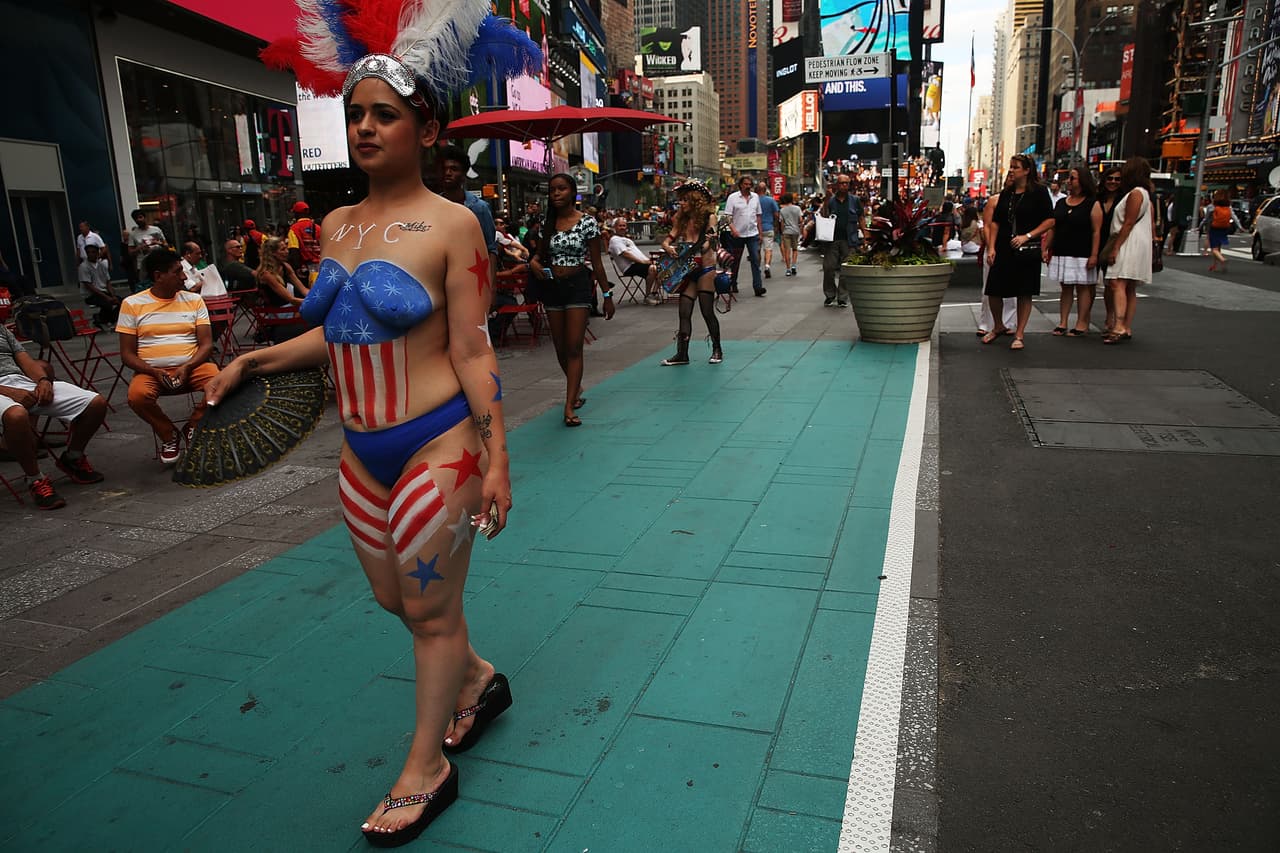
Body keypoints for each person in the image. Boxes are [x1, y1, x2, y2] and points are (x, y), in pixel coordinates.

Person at [232, 9, 535, 840]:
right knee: (393, 597)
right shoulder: (335, 225)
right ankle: (475, 678)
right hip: (361, 454)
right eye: (356, 113)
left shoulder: (454, 223)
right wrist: (251, 362)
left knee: (430, 609)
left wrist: (498, 457)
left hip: (439, 443)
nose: (365, 127)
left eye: (385, 114)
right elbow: (332, 333)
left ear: (426, 126)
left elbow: (473, 352)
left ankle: (427, 765)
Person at [118, 249, 220, 464]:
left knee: (221, 384)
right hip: (152, 371)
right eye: (177, 272)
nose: (184, 277)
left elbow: (206, 344)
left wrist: (188, 366)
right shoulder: (132, 304)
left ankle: (194, 425)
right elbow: (127, 354)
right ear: (158, 276)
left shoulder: (194, 300)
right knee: (137, 396)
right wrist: (153, 371)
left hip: (192, 367)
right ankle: (168, 434)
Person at [529, 173, 614, 427]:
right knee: (560, 348)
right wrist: (533, 264)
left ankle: (568, 406)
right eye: (553, 190)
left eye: (562, 189)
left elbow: (597, 263)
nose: (556, 194)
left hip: (577, 286)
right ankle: (575, 388)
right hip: (552, 287)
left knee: (575, 346)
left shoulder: (587, 222)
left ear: (572, 192)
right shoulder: (547, 224)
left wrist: (607, 295)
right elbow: (537, 256)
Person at [0, 327, 107, 508]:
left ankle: (73, 458)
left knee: (95, 403)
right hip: (5, 390)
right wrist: (8, 391)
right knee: (16, 415)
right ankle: (35, 479)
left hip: (19, 381)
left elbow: (25, 360)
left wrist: (43, 381)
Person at [983, 154, 1055, 350]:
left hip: (1026, 248)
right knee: (994, 289)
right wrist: (991, 247)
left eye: (1016, 167)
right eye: (1011, 166)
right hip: (1004, 246)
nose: (1012, 170)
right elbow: (996, 222)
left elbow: (1050, 220)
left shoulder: (1039, 192)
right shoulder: (1007, 193)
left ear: (1027, 170)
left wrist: (1028, 235)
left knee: (1024, 291)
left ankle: (1020, 333)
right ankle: (998, 325)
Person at [657, 180, 723, 366]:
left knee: (707, 310)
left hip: (705, 269)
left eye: (685, 200)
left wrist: (706, 243)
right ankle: (682, 354)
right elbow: (668, 239)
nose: (681, 203)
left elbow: (713, 242)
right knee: (684, 312)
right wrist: (668, 248)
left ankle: (717, 349)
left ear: (695, 200)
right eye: (680, 200)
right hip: (688, 270)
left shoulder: (709, 218)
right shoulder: (681, 219)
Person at [1102, 156, 1155, 344]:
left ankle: (1119, 325)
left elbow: (1128, 222)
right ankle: (1125, 326)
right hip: (1139, 241)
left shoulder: (1135, 193)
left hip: (1129, 241)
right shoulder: (1145, 193)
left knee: (1117, 282)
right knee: (1129, 286)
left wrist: (1115, 247)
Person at [1043, 167, 1101, 336]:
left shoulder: (1092, 203)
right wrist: (1046, 247)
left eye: (1072, 178)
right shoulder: (1061, 202)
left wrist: (1094, 255)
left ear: (1082, 181)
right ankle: (1063, 322)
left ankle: (1082, 323)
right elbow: (1053, 226)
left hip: (1082, 251)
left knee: (1083, 287)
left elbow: (1096, 231)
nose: (1069, 181)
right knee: (1066, 287)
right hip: (1062, 249)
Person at [976, 176, 1019, 337]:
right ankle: (986, 323)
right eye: (1009, 175)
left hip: (1015, 247)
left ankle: (1007, 323)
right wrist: (990, 246)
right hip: (995, 247)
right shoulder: (994, 200)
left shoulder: (1024, 200)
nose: (1011, 178)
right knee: (989, 287)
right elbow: (987, 225)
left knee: (1012, 289)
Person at [818, 173, 864, 307]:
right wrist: (826, 201)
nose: (844, 185)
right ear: (837, 185)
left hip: (849, 239)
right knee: (828, 267)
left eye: (847, 183)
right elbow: (825, 216)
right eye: (842, 183)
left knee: (846, 269)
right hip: (832, 239)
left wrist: (865, 235)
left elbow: (861, 217)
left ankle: (842, 297)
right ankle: (830, 294)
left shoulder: (854, 200)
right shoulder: (831, 200)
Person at [723, 175, 766, 296]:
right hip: (737, 235)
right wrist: (733, 229)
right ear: (740, 185)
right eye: (745, 184)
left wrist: (760, 233)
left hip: (752, 234)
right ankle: (733, 283)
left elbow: (758, 216)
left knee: (755, 260)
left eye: (749, 184)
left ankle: (758, 287)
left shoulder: (755, 197)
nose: (747, 186)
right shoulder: (733, 198)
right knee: (735, 261)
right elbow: (727, 216)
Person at [1095, 166, 1124, 334]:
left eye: (1117, 179)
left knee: (1112, 283)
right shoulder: (1097, 199)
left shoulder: (1124, 199)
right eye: (1110, 178)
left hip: (1114, 244)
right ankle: (1107, 315)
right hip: (1096, 243)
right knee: (1096, 283)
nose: (1113, 182)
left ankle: (1112, 317)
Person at [607, 217, 661, 304]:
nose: (622, 228)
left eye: (624, 226)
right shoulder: (614, 240)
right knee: (653, 268)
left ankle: (654, 293)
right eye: (620, 226)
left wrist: (648, 260)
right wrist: (643, 262)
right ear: (615, 227)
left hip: (638, 264)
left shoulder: (627, 239)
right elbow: (625, 254)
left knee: (662, 267)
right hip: (629, 267)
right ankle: (647, 296)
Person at [78, 243, 120, 328]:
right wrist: (107, 297)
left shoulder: (102, 265)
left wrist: (113, 295)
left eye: (93, 252)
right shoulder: (83, 267)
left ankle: (109, 319)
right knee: (107, 303)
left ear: (97, 253)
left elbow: (108, 282)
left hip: (103, 291)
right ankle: (104, 319)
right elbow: (89, 286)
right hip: (91, 295)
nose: (90, 254)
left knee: (122, 302)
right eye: (88, 252)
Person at [1206, 189, 1244, 273]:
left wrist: (1200, 226)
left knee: (1214, 248)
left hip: (1214, 228)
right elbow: (1234, 217)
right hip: (1224, 228)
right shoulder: (1228, 207)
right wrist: (1240, 226)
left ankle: (1222, 259)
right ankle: (1216, 265)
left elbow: (1206, 219)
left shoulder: (1212, 206)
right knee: (1218, 247)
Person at [127, 209, 167, 279]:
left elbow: (166, 245)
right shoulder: (133, 234)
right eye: (136, 219)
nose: (138, 220)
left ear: (145, 217)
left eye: (140, 217)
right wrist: (140, 247)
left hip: (158, 261)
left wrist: (157, 243)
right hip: (143, 264)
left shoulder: (156, 229)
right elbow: (130, 252)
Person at [286, 201, 322, 278]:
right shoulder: (318, 228)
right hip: (320, 268)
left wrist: (297, 268)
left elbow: (294, 250)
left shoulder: (294, 229)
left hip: (306, 270)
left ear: (296, 214)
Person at [756, 181, 780, 278]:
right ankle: (767, 266)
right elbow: (776, 215)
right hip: (768, 227)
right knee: (768, 249)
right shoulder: (771, 200)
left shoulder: (754, 200)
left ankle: (757, 268)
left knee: (757, 250)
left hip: (756, 229)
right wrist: (776, 226)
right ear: (766, 190)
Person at [778, 193, 802, 275]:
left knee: (787, 250)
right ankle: (794, 266)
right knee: (795, 249)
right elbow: (801, 220)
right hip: (795, 231)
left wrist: (782, 232)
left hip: (786, 231)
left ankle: (788, 269)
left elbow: (782, 223)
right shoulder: (797, 208)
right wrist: (800, 229)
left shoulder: (782, 210)